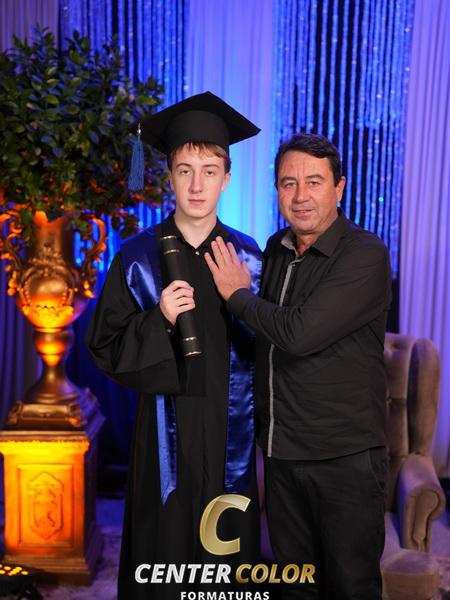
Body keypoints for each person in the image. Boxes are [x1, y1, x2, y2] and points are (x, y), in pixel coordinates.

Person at [86, 92, 262, 600]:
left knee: (226, 561)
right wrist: (158, 320)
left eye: (209, 171)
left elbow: (272, 347)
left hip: (231, 432)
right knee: (163, 559)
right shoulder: (137, 258)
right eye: (185, 171)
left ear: (227, 178)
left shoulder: (249, 258)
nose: (197, 184)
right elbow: (104, 346)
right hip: (164, 437)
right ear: (169, 176)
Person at [205, 132, 392, 599]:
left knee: (351, 586)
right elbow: (262, 338)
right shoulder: (276, 249)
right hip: (282, 454)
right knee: (294, 584)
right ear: (277, 190)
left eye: (314, 182)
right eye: (289, 183)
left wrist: (237, 296)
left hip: (344, 458)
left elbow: (299, 333)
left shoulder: (364, 254)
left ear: (339, 188)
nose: (301, 195)